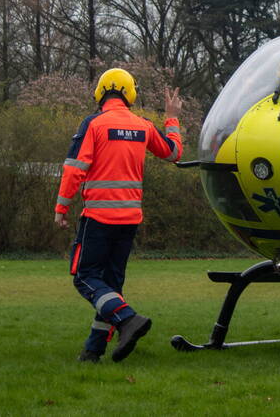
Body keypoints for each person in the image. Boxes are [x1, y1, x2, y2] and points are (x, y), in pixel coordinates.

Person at [54, 68, 184, 363]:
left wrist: (61, 208)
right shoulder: (143, 125)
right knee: (111, 285)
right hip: (129, 221)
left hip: (98, 218)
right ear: (130, 95)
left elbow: (74, 169)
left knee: (85, 278)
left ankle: (127, 319)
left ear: (100, 92)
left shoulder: (94, 123)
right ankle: (93, 350)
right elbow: (173, 152)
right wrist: (171, 117)